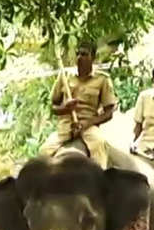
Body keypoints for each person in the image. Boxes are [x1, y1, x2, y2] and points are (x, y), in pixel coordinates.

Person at [39, 40, 117, 169]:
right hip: (64, 127)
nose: (80, 57)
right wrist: (65, 108)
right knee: (43, 152)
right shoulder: (65, 76)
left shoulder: (102, 79)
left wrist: (88, 123)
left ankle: (100, 183)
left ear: (93, 58)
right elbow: (53, 106)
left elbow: (109, 112)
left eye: (85, 54)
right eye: (78, 54)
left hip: (88, 127)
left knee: (99, 146)